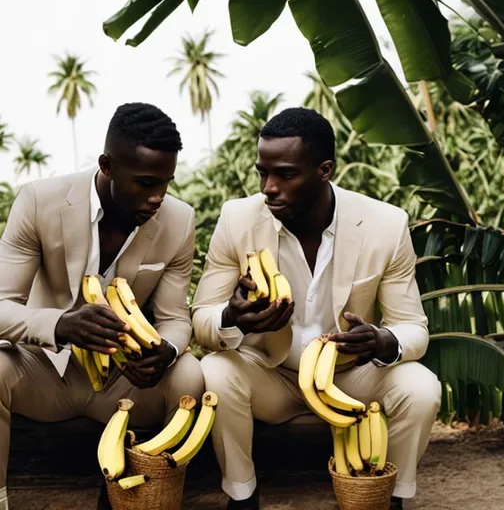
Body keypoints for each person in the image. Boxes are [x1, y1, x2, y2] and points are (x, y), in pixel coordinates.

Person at [192, 107, 442, 510]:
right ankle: (242, 494)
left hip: (350, 377)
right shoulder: (237, 220)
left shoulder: (385, 224)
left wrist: (382, 340)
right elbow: (201, 317)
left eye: (286, 174)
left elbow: (413, 326)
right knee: (215, 371)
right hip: (271, 375)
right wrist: (230, 316)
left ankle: (391, 497)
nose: (269, 187)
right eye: (263, 173)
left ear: (324, 170)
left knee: (421, 387)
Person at [0, 102, 204, 510]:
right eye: (145, 182)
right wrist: (60, 325)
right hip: (47, 373)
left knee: (190, 374)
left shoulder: (179, 219)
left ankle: (154, 496)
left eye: (166, 182)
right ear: (107, 165)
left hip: (127, 382)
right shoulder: (40, 201)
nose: (158, 197)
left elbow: (175, 319)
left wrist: (165, 351)